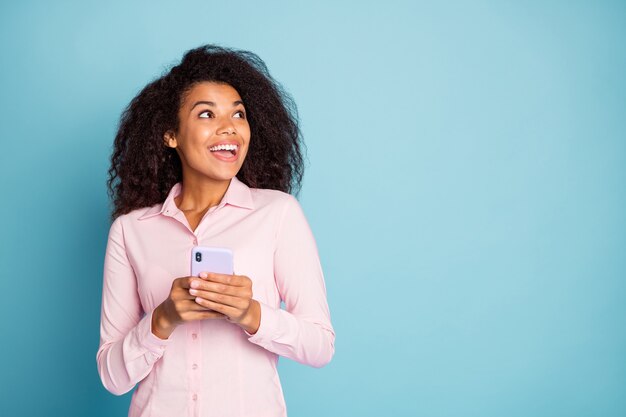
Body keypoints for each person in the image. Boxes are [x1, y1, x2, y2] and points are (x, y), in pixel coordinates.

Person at [96, 44, 335, 417]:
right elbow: (112, 377)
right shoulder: (130, 231)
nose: (230, 128)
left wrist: (252, 314)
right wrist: (163, 319)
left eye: (238, 114)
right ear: (170, 135)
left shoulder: (278, 214)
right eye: (207, 113)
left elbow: (320, 345)